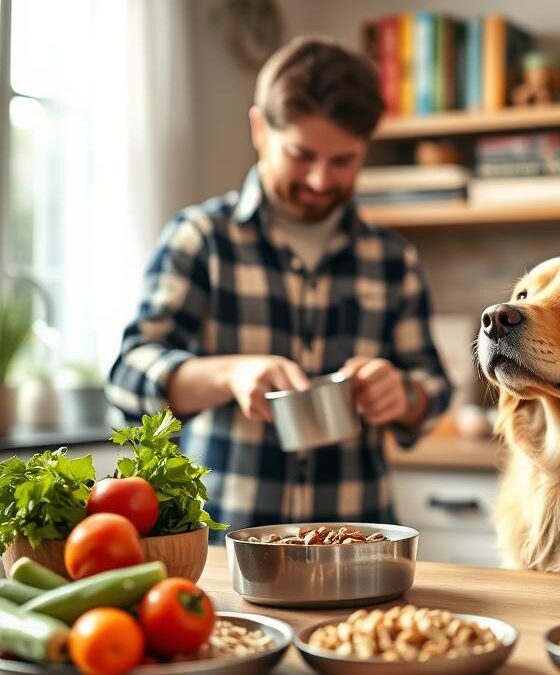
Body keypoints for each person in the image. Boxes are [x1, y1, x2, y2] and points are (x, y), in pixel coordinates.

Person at [107, 35, 452, 538]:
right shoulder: (202, 238)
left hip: (355, 545)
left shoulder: (391, 258)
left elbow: (435, 388)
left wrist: (404, 394)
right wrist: (231, 375)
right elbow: (127, 376)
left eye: (344, 161)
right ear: (259, 129)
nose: (319, 180)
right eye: (301, 154)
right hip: (221, 546)